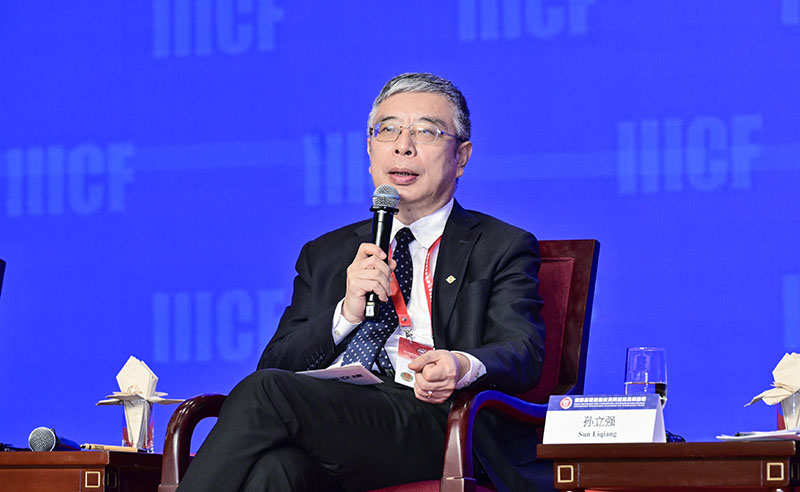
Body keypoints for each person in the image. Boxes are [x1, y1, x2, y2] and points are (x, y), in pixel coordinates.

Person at [177, 73, 550, 492]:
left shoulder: (499, 246)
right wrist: (345, 314)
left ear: (461, 157)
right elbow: (276, 363)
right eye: (387, 130)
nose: (403, 146)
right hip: (337, 421)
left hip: (435, 422)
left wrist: (460, 365)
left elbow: (523, 350)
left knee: (266, 395)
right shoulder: (326, 253)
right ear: (370, 150)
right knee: (277, 470)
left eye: (426, 131)